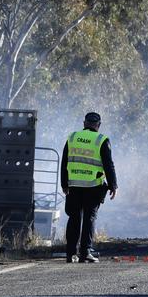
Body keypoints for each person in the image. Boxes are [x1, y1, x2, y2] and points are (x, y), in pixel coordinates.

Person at [61, 112, 118, 263]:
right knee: (89, 219)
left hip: (73, 186)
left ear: (84, 123)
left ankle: (70, 253)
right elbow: (108, 164)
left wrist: (64, 184)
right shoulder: (102, 140)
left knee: (74, 218)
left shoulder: (72, 138)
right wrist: (113, 185)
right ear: (98, 125)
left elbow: (64, 162)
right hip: (93, 187)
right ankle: (85, 252)